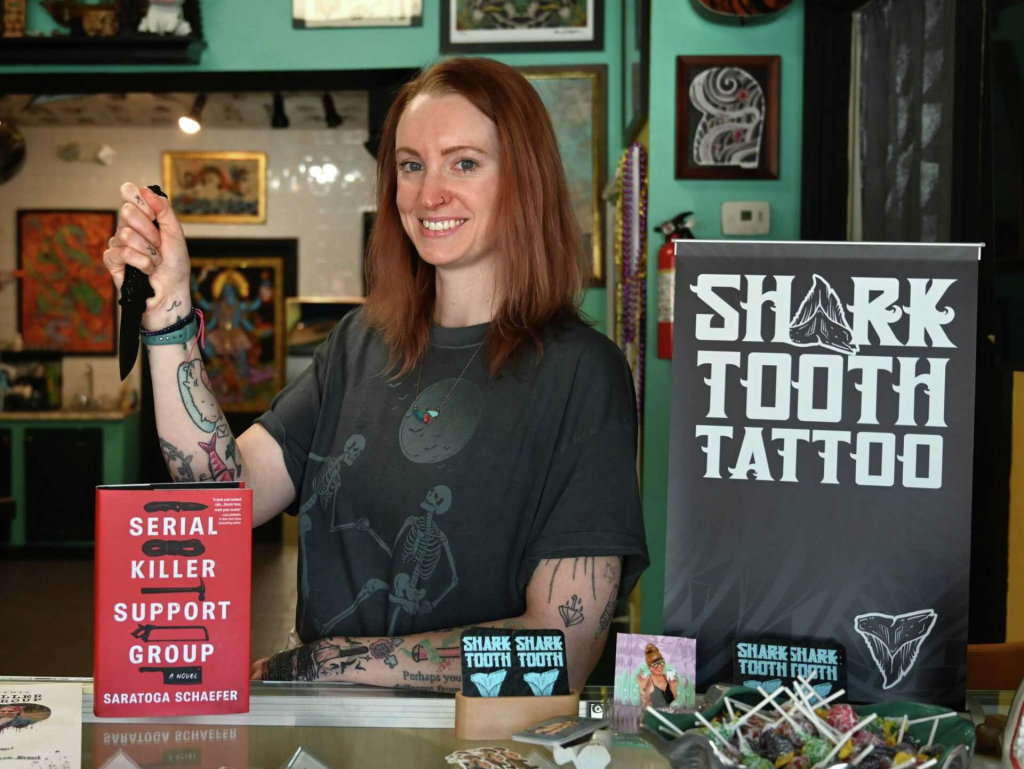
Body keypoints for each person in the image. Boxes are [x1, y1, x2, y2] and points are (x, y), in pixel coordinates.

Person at [102, 57, 648, 694]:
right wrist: (167, 311)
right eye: (412, 166)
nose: (429, 194)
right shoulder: (359, 343)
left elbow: (562, 650)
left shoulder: (583, 372)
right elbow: (222, 497)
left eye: (464, 163)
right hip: (327, 731)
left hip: (480, 739)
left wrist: (335, 661)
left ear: (525, 180)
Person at [638, 643, 678, 710]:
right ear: (649, 667)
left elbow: (673, 701)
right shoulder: (648, 680)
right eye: (655, 664)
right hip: (654, 715)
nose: (660, 667)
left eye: (661, 662)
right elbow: (645, 705)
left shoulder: (667, 678)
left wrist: (674, 685)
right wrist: (642, 685)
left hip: (669, 714)